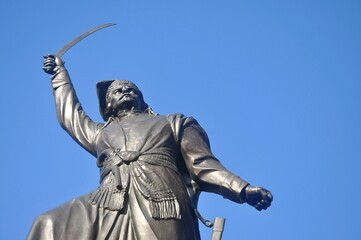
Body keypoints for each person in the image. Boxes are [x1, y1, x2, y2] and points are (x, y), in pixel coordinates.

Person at [27, 55, 273, 240]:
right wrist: (60, 76)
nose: (125, 91)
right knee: (48, 224)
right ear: (108, 106)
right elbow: (71, 117)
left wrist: (242, 189)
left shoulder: (173, 122)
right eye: (117, 91)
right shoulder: (101, 132)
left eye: (130, 88)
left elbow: (203, 166)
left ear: (142, 98)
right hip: (110, 200)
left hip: (161, 198)